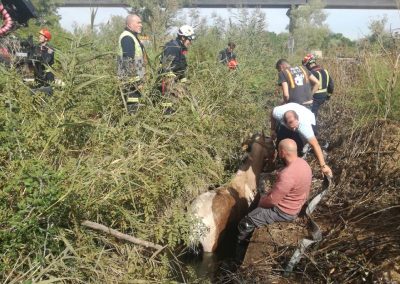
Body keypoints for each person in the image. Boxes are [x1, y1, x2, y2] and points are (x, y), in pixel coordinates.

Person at [234, 139, 312, 262]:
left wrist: (261, 202)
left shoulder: (287, 175)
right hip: (295, 204)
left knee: (245, 223)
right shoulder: (304, 164)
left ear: (282, 152)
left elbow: (272, 201)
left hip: (283, 212)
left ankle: (237, 258)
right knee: (260, 198)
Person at [270, 102, 333, 177]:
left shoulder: (304, 125)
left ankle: (295, 162)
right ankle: (281, 161)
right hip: (290, 110)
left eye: (295, 127)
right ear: (285, 122)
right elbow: (272, 113)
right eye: (291, 127)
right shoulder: (278, 113)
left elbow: (315, 145)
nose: (294, 129)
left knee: (299, 145)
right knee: (280, 142)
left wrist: (323, 166)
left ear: (297, 119)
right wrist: (272, 129)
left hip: (308, 116)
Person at [159, 25, 195, 114]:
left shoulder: (180, 48)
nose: (190, 42)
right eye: (189, 39)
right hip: (168, 81)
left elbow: (180, 67)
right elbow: (165, 66)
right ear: (182, 38)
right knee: (167, 105)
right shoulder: (172, 47)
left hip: (175, 81)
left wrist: (183, 80)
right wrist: (171, 83)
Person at [117, 14, 146, 114]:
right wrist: (137, 81)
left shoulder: (132, 36)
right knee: (132, 106)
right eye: (138, 22)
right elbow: (128, 61)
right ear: (130, 24)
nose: (141, 25)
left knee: (135, 104)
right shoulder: (127, 38)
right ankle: (131, 125)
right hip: (131, 81)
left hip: (134, 79)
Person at [302, 54, 334, 118]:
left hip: (315, 97)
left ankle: (313, 127)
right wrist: (328, 95)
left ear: (308, 64)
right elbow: (331, 85)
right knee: (315, 113)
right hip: (323, 96)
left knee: (311, 116)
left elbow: (306, 87)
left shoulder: (311, 73)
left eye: (306, 66)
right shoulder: (325, 71)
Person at [32, 28, 54, 93]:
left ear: (46, 38)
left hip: (47, 75)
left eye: (41, 36)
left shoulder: (50, 49)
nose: (39, 37)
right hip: (37, 73)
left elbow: (47, 61)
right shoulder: (36, 47)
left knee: (48, 93)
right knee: (37, 92)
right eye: (39, 35)